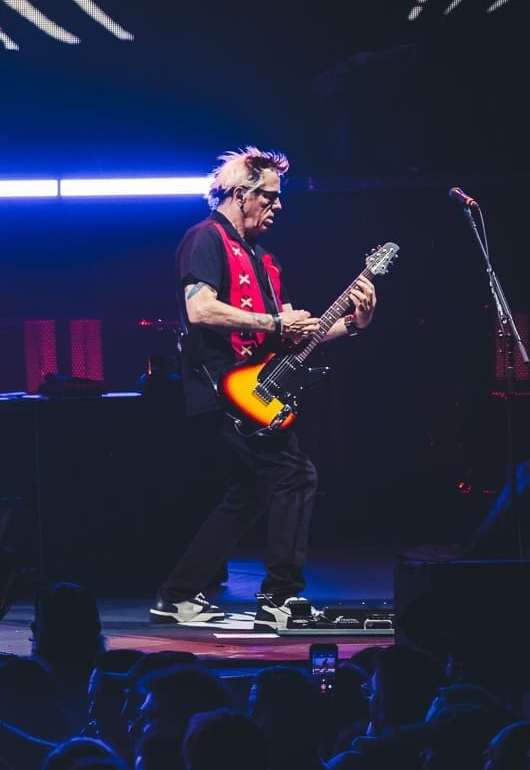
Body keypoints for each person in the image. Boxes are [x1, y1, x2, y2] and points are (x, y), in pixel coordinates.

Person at [150, 146, 377, 627]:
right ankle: (281, 596)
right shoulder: (205, 239)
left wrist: (353, 324)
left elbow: (297, 335)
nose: (279, 207)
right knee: (296, 475)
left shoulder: (265, 260)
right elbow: (200, 309)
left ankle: (178, 594)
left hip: (258, 389)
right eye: (270, 198)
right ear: (239, 194)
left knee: (251, 491)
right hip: (223, 386)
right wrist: (273, 322)